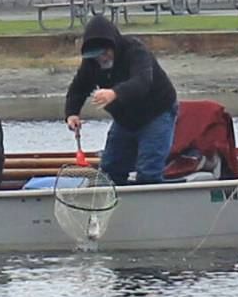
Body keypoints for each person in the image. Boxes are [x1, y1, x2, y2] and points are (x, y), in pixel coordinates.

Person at [65, 15, 178, 185]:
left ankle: (151, 202)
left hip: (157, 113)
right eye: (96, 56)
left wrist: (114, 93)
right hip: (124, 120)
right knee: (110, 170)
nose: (101, 58)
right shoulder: (91, 64)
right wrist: (72, 113)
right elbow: (78, 88)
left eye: (104, 53)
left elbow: (142, 82)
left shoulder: (135, 51)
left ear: (113, 46)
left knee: (148, 170)